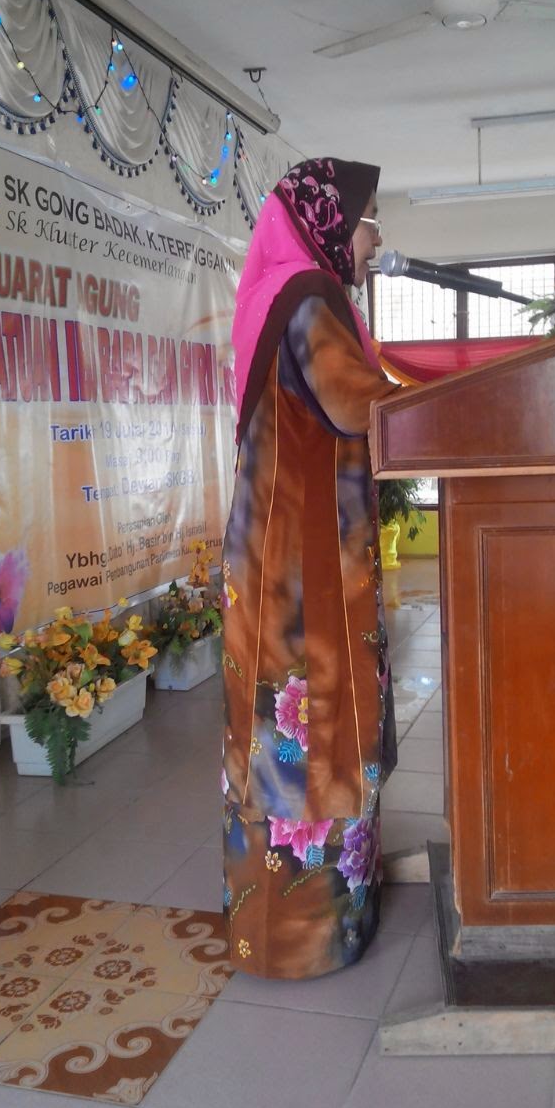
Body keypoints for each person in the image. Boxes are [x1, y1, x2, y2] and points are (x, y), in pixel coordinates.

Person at [221, 158, 399, 979]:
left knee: (272, 739)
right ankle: (311, 939)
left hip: (268, 561)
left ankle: (271, 928)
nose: (372, 240)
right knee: (312, 733)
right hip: (309, 573)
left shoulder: (271, 295)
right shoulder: (312, 301)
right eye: (369, 222)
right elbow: (358, 405)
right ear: (330, 220)